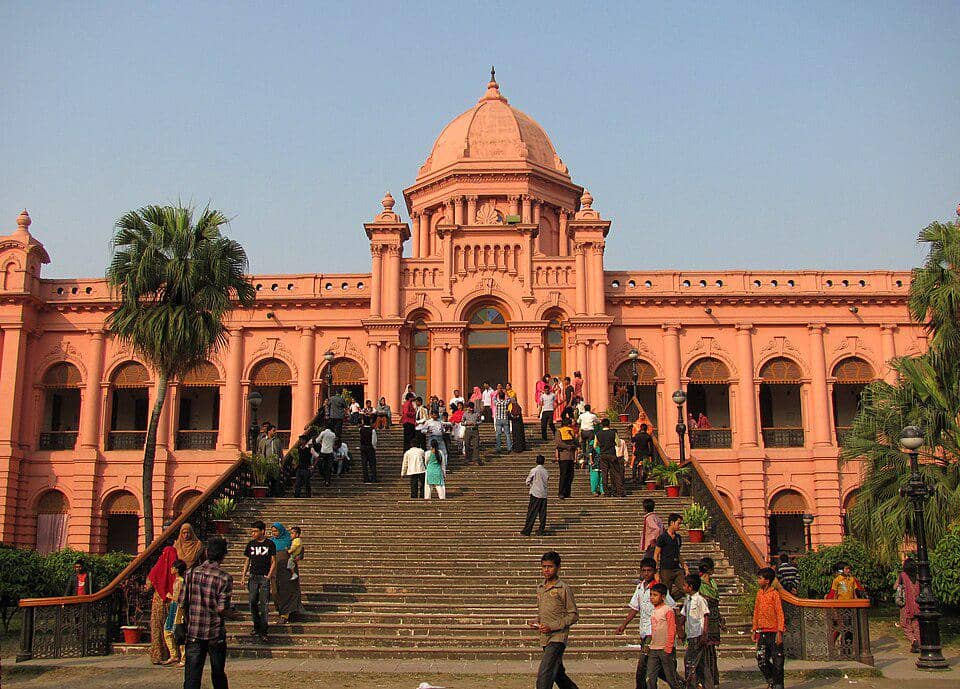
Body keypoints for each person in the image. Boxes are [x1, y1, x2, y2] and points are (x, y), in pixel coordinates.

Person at [181, 536, 238, 689]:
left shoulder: (190, 573)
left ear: (206, 552)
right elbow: (222, 608)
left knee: (192, 674)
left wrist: (187, 621)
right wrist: (233, 614)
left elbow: (182, 602)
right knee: (218, 673)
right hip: (215, 631)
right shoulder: (224, 578)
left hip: (194, 630)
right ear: (223, 556)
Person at [615, 557, 675, 689]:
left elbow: (672, 607)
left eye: (649, 570)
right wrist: (624, 624)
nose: (646, 573)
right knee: (657, 670)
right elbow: (635, 608)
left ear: (654, 571)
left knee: (642, 667)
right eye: (644, 571)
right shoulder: (640, 587)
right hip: (644, 631)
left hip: (654, 633)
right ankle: (680, 683)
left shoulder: (659, 589)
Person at [529, 551, 580, 689]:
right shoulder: (540, 588)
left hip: (558, 637)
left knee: (545, 672)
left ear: (558, 567)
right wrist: (536, 621)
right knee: (557, 673)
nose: (546, 570)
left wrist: (553, 626)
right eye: (544, 566)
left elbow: (573, 614)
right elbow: (543, 611)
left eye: (550, 566)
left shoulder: (563, 588)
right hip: (544, 636)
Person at [241, 520, 276, 642]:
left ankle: (264, 630)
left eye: (255, 531)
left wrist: (269, 575)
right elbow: (247, 560)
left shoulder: (270, 544)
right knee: (252, 601)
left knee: (264, 604)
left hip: (264, 576)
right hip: (253, 576)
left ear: (262, 531)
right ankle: (256, 625)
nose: (253, 533)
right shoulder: (251, 544)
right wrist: (243, 575)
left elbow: (273, 561)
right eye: (252, 531)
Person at [679, 574, 714, 689]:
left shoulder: (700, 600)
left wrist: (704, 634)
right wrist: (680, 629)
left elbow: (705, 616)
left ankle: (691, 685)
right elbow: (683, 616)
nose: (683, 587)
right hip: (691, 634)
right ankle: (706, 685)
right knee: (700, 663)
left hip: (698, 634)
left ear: (690, 587)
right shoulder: (687, 600)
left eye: (685, 585)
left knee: (690, 661)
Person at [145, 545, 178, 664]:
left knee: (157, 627)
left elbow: (148, 584)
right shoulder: (177, 570)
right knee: (170, 628)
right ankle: (172, 654)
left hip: (158, 600)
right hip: (172, 601)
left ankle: (157, 655)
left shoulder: (157, 567)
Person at [753, 567, 785, 689]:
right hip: (762, 631)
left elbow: (780, 613)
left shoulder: (774, 594)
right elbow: (756, 611)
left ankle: (778, 684)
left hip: (774, 631)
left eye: (760, 578)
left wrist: (780, 632)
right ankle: (771, 679)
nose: (758, 580)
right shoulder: (759, 594)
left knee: (778, 661)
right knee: (761, 659)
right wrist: (754, 629)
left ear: (767, 580)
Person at [646, 582, 680, 689]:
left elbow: (672, 629)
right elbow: (654, 630)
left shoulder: (668, 610)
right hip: (654, 648)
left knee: (671, 678)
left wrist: (668, 647)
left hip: (665, 648)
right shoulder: (654, 611)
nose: (652, 598)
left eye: (655, 595)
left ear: (663, 597)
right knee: (650, 677)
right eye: (651, 595)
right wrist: (649, 644)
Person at [270, 522, 303, 624]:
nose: (274, 533)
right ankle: (283, 610)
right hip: (275, 570)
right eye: (272, 531)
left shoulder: (289, 540)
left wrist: (297, 557)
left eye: (276, 531)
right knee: (275, 591)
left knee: (287, 591)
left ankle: (285, 614)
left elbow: (300, 551)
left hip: (288, 570)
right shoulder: (271, 542)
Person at [697, 558, 723, 687]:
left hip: (714, 617)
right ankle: (704, 680)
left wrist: (720, 617)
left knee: (711, 651)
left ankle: (713, 680)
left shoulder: (712, 582)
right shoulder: (699, 584)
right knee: (704, 652)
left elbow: (715, 600)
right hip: (704, 618)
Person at [655, 513, 688, 601]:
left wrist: (685, 566)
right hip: (666, 569)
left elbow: (678, 553)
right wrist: (656, 572)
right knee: (666, 592)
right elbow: (656, 555)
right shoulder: (662, 537)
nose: (679, 526)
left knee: (685, 588)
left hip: (677, 569)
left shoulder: (678, 537)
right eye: (678, 523)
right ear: (672, 523)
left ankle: (671, 600)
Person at [162, 558, 187, 666]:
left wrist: (171, 597)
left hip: (178, 607)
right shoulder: (177, 580)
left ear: (176, 569)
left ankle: (183, 657)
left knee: (178, 632)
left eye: (173, 567)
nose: (171, 569)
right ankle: (174, 654)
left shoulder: (181, 581)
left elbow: (181, 598)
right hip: (174, 606)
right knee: (167, 630)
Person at [896, 557, 921, 653]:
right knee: (916, 625)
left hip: (906, 605)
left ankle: (913, 640)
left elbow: (896, 586)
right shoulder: (918, 576)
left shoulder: (902, 575)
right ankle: (918, 643)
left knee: (905, 624)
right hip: (917, 604)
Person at [521, 455, 549, 537]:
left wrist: (531, 484)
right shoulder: (545, 471)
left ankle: (527, 529)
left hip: (535, 493)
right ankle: (541, 529)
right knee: (542, 513)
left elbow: (527, 481)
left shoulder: (534, 470)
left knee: (532, 512)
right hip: (544, 494)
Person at [595, 418, 623, 498]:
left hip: (603, 455)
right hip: (612, 455)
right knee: (616, 473)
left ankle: (606, 492)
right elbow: (618, 444)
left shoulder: (598, 434)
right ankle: (619, 491)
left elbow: (595, 445)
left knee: (604, 474)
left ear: (601, 425)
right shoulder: (613, 433)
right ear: (609, 424)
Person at [256, 424, 285, 496]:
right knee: (267, 480)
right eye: (273, 430)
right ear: (269, 431)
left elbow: (280, 452)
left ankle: (275, 494)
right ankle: (267, 494)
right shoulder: (263, 441)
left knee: (276, 480)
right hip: (267, 463)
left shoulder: (277, 441)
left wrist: (281, 462)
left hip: (275, 464)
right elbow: (260, 452)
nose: (275, 432)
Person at [555, 418, 578, 499]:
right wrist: (568, 446)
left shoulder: (571, 431)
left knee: (570, 475)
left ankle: (567, 492)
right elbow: (558, 443)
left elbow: (575, 442)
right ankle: (561, 492)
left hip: (571, 457)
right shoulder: (559, 431)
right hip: (563, 456)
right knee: (563, 475)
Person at [461, 402, 483, 466]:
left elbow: (480, 421)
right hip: (468, 430)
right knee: (467, 445)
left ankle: (476, 460)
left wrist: (476, 423)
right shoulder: (465, 414)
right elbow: (462, 422)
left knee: (476, 445)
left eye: (472, 408)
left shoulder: (477, 414)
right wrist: (466, 424)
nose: (471, 409)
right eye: (470, 408)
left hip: (475, 430)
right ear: (468, 408)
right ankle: (467, 459)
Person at [359, 414, 378, 483]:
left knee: (364, 464)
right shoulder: (372, 430)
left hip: (363, 447)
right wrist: (374, 447)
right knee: (372, 464)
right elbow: (374, 440)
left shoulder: (361, 429)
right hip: (370, 447)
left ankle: (366, 478)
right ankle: (374, 478)